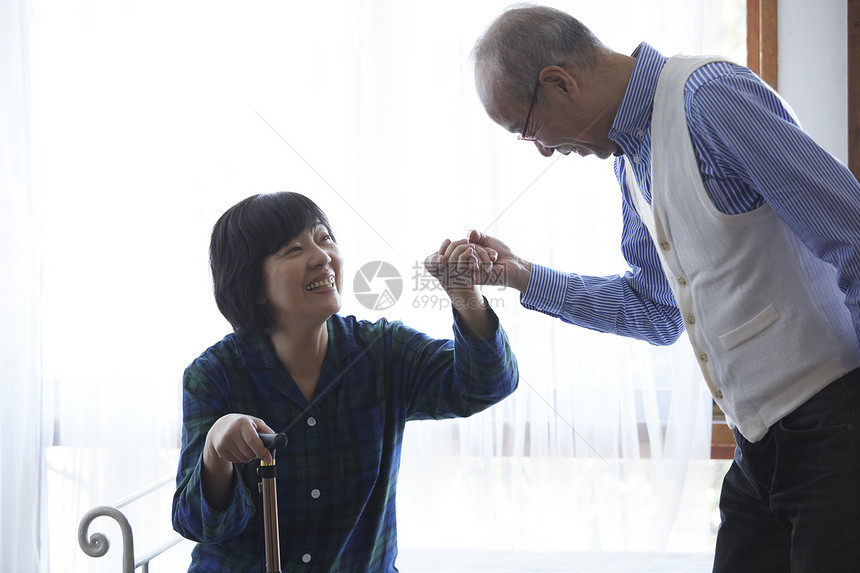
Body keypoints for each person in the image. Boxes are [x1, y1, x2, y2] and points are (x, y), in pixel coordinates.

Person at [468, 5, 860, 572]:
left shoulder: (710, 99)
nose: (543, 150)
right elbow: (656, 313)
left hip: (835, 424)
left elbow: (850, 232)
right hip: (762, 449)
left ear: (559, 82)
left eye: (526, 129)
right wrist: (520, 275)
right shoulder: (631, 163)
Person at [171, 191, 518, 572]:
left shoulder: (383, 350)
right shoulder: (212, 376)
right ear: (253, 287)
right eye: (293, 249)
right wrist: (216, 451)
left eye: (324, 238)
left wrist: (464, 295)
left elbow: (486, 385)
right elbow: (198, 524)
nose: (322, 257)